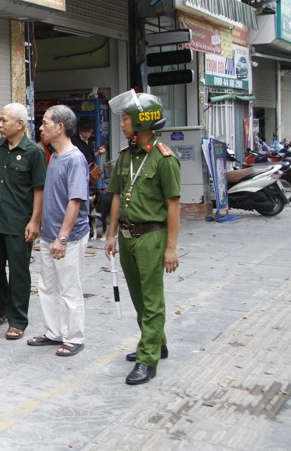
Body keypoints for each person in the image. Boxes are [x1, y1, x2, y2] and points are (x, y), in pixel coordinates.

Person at [104, 90, 180, 385]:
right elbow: (116, 197)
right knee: (139, 297)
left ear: (140, 122)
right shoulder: (125, 158)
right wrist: (110, 235)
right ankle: (157, 342)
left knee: (152, 299)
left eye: (125, 119)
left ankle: (148, 358)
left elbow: (173, 205)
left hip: (151, 236)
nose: (122, 124)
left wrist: (171, 248)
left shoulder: (164, 159)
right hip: (126, 235)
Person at [0, 103, 46, 340]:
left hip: (19, 222)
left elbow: (39, 189)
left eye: (4, 120)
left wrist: (34, 221)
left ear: (20, 124)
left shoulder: (34, 152)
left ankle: (17, 319)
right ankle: (2, 308)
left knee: (18, 272)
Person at [27, 104, 90, 357]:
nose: (41, 128)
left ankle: (74, 337)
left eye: (45, 123)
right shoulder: (53, 155)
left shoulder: (74, 159)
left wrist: (62, 237)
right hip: (49, 235)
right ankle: (54, 332)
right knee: (48, 286)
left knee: (69, 288)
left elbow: (75, 201)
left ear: (60, 127)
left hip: (68, 238)